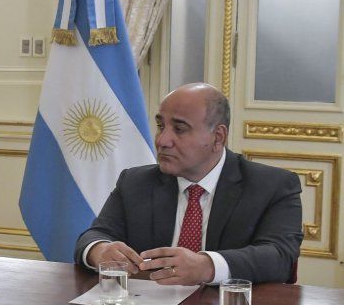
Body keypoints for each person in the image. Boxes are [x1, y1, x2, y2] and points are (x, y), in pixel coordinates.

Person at [74, 83, 302, 285]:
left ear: (218, 137)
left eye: (180, 129)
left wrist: (207, 266)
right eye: (161, 126)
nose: (162, 140)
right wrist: (100, 250)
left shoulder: (273, 186)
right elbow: (95, 235)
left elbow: (280, 257)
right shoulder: (135, 182)